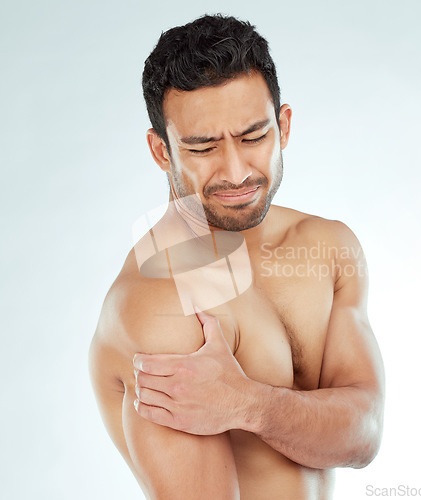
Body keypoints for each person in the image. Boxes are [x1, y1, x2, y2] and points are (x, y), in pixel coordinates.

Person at [89, 13, 385, 500]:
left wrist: (253, 406)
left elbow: (365, 432)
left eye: (253, 137)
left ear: (283, 126)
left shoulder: (326, 245)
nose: (236, 171)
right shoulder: (161, 301)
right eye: (203, 147)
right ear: (162, 152)